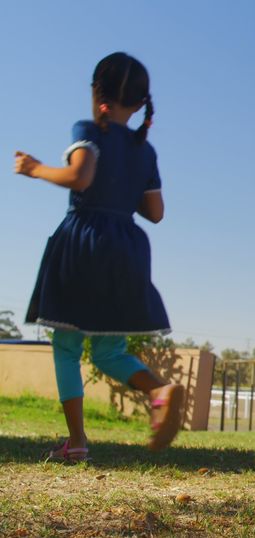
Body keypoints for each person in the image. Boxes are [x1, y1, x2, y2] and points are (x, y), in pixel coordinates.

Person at [13, 52, 184, 462]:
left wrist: (35, 168)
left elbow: (80, 176)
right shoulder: (145, 150)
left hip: (86, 241)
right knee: (110, 351)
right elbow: (156, 212)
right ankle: (158, 390)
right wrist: (124, 190)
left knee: (67, 346)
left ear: (97, 94)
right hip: (127, 247)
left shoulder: (88, 129)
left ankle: (76, 441)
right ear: (141, 105)